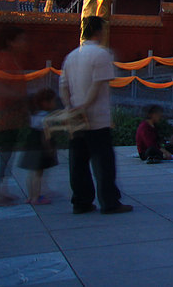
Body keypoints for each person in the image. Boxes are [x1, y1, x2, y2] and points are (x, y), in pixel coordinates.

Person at [59, 16, 132, 214]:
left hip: (76, 119)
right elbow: (97, 85)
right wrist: (84, 107)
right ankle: (109, 202)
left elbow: (63, 87)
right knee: (104, 163)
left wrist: (71, 109)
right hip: (97, 118)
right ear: (99, 31)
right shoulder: (101, 54)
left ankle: (81, 202)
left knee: (78, 163)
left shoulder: (71, 56)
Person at [0, 26, 30, 207]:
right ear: (10, 41)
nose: (24, 43)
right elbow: (2, 87)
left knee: (7, 151)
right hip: (6, 112)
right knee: (4, 151)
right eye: (20, 39)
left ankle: (2, 190)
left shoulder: (10, 58)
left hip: (12, 112)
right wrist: (19, 96)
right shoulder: (4, 59)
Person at [19, 88, 59, 205]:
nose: (54, 104)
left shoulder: (33, 115)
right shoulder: (45, 117)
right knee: (38, 173)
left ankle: (31, 196)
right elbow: (45, 135)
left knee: (31, 173)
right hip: (39, 147)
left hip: (30, 144)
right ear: (45, 103)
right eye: (52, 101)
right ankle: (36, 197)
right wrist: (49, 148)